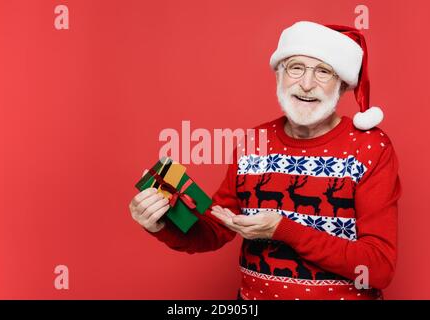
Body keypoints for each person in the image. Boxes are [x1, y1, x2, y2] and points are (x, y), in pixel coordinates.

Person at [129, 21, 402, 300]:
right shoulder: (253, 142)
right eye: (296, 67)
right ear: (279, 75)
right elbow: (214, 230)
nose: (307, 84)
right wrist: (163, 222)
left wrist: (283, 230)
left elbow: (378, 267)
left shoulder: (371, 147)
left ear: (343, 84)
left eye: (323, 71)